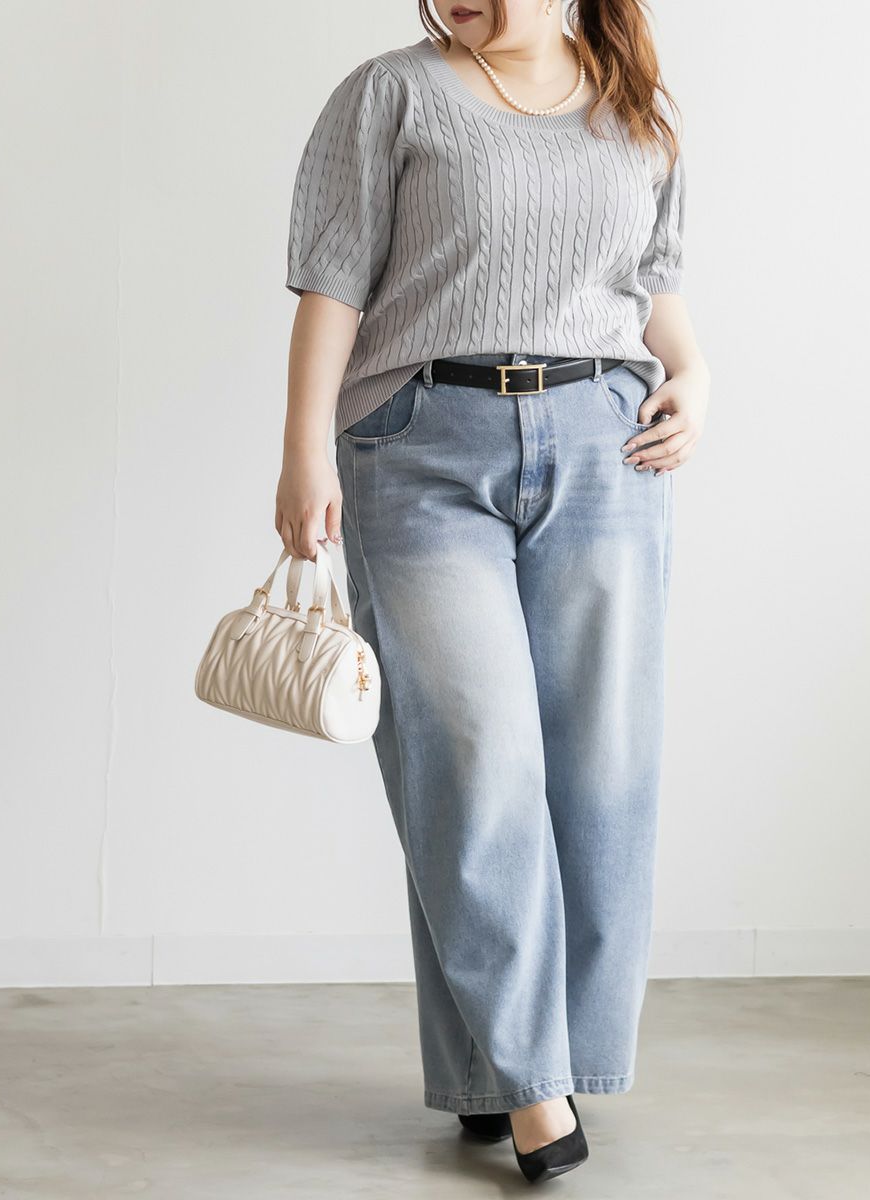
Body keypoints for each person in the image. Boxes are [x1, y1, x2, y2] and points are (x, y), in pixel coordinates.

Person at [276, 0, 710, 1183]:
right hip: (418, 444)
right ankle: (530, 1087)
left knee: (600, 771)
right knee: (472, 760)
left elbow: (651, 279)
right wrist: (304, 452)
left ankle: (511, 1065)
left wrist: (696, 372)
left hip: (608, 445)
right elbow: (330, 283)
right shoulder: (393, 92)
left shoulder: (632, 104)